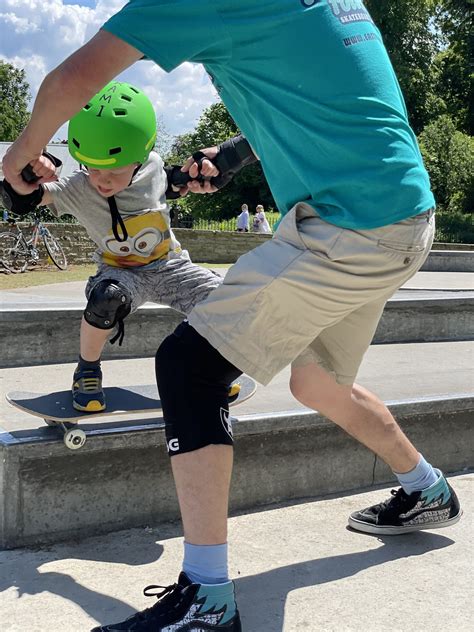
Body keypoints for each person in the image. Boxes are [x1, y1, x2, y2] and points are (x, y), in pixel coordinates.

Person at [2, 3, 462, 630]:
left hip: (347, 230)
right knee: (316, 383)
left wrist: (20, 155)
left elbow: (76, 80)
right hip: (403, 219)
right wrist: (236, 154)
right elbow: (335, 95)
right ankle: (427, 489)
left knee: (190, 367)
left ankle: (208, 599)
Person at [2, 80, 223, 413]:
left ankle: (210, 366)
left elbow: (174, 184)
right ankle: (87, 371)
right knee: (106, 300)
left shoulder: (153, 167)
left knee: (227, 301)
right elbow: (22, 201)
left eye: (113, 171)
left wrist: (196, 178)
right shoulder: (79, 188)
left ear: (138, 159)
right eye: (92, 168)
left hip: (169, 265)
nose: (100, 181)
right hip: (120, 272)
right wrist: (30, 173)